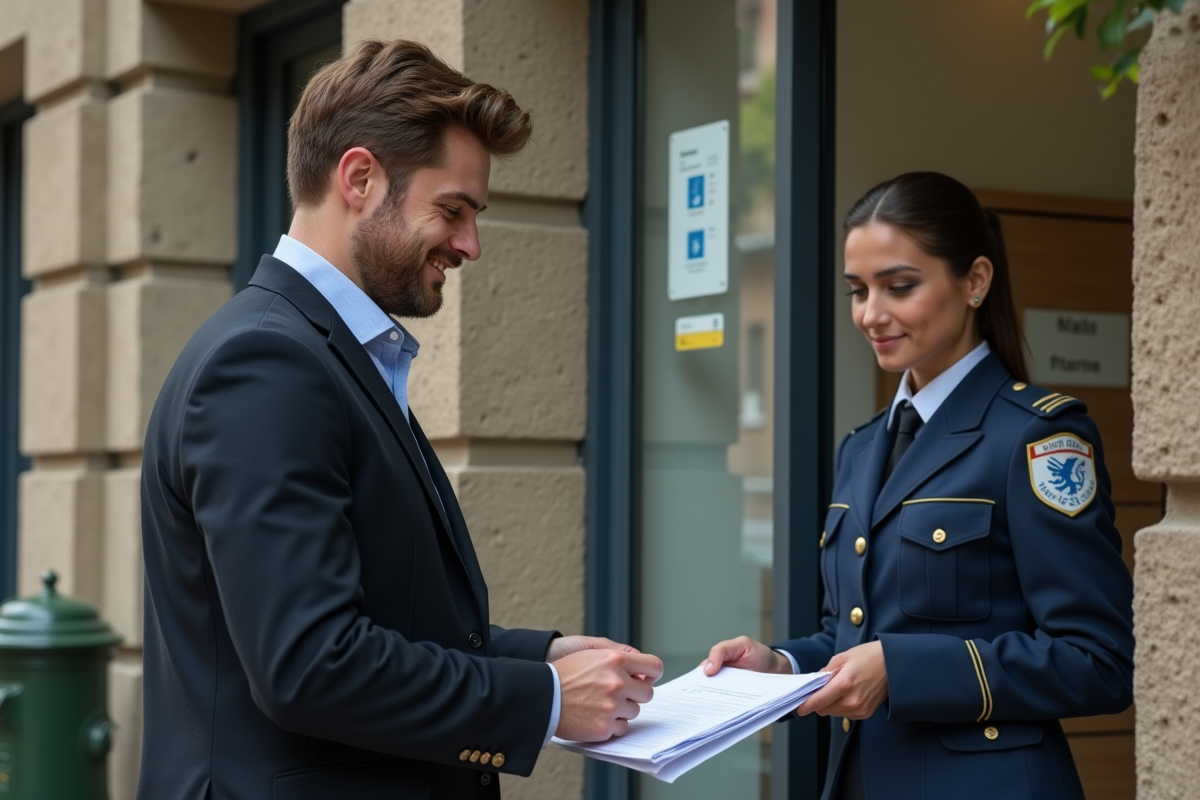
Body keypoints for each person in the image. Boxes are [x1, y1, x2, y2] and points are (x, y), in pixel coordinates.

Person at [138, 39, 662, 800]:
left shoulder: (319, 352)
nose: (470, 245)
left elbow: (383, 615)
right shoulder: (266, 363)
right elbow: (310, 665)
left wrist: (538, 659)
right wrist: (547, 701)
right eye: (452, 210)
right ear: (359, 178)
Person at [703, 172, 1133, 800]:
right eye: (858, 291)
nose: (870, 314)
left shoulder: (1037, 436)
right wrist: (782, 665)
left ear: (975, 281)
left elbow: (1097, 661)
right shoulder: (862, 447)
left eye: (899, 286)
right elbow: (853, 633)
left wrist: (902, 670)